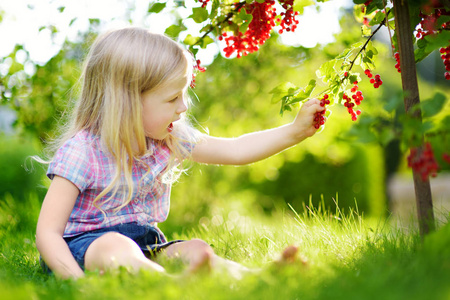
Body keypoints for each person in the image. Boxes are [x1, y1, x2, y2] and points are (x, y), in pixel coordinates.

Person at [35, 26, 325, 280]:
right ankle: (169, 286)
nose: (184, 107)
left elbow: (235, 149)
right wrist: (75, 281)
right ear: (128, 102)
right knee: (115, 246)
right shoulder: (82, 151)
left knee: (197, 250)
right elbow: (48, 234)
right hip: (85, 250)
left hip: (146, 247)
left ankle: (256, 278)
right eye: (173, 97)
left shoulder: (168, 139)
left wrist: (294, 132)